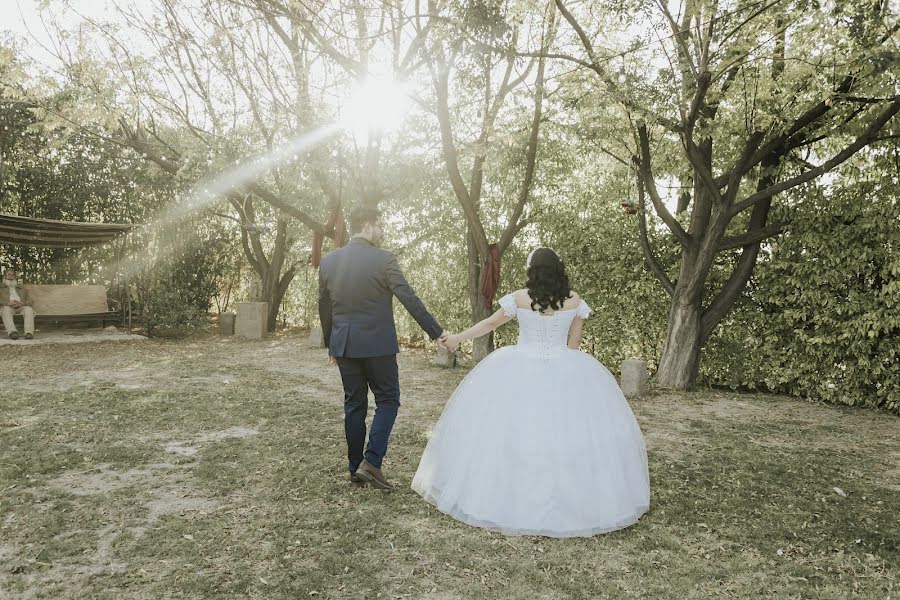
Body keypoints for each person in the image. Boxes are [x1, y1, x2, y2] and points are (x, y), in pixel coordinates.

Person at [412, 247, 650, 537]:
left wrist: (458, 337)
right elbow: (574, 343)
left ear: (532, 270)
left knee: (515, 429)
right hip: (567, 365)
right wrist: (565, 372)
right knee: (568, 431)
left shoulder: (519, 298)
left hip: (519, 363)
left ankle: (510, 493)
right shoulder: (575, 300)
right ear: (558, 268)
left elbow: (489, 324)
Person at [318, 205, 447, 490]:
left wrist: (331, 346)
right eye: (380, 225)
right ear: (366, 226)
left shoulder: (329, 262)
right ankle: (372, 462)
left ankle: (355, 470)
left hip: (345, 344)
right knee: (388, 400)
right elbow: (408, 298)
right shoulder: (384, 259)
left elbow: (324, 308)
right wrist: (436, 332)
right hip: (378, 344)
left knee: (354, 404)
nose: (382, 231)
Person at [1, 268, 35, 340]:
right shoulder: (0, 288)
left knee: (29, 309)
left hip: (21, 306)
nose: (10, 276)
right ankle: (13, 332)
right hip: (8, 306)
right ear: (5, 276)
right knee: (5, 310)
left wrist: (23, 303)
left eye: (12, 275)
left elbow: (30, 300)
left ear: (15, 277)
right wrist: (8, 303)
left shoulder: (22, 288)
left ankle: (28, 333)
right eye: (9, 275)